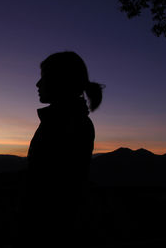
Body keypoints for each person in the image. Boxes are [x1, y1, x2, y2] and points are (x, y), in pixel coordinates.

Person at [17, 51, 104, 247]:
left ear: (62, 80)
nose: (38, 84)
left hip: (51, 232)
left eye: (44, 77)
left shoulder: (65, 123)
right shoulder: (66, 120)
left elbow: (49, 183)